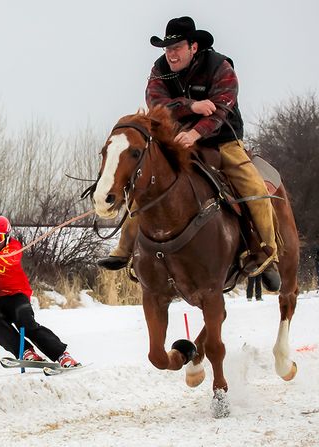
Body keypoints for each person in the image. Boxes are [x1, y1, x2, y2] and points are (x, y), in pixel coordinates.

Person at [97, 16, 280, 292]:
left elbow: (221, 109)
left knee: (254, 189)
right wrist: (191, 106)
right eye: (167, 49)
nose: (171, 54)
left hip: (222, 141)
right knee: (146, 181)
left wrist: (196, 132)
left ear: (193, 47)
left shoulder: (221, 67)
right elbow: (156, 103)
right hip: (177, 140)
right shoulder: (159, 70)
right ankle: (124, 248)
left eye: (177, 48)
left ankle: (267, 253)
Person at [0, 215, 80, 368]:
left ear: (6, 237)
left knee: (25, 323)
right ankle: (25, 352)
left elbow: (10, 258)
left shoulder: (14, 246)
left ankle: (62, 355)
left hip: (17, 296)